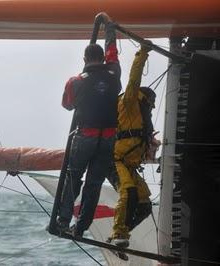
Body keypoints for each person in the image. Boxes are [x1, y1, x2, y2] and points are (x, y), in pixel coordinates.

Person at [56, 19, 121, 238]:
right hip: (108, 138)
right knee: (94, 184)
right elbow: (113, 51)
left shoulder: (75, 81)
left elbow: (67, 105)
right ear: (102, 58)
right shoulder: (114, 74)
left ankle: (64, 220)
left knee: (73, 178)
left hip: (86, 136)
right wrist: (109, 28)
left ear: (84, 59)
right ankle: (81, 227)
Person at [109, 42, 161, 249]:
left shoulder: (142, 118)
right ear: (145, 99)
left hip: (129, 164)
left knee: (145, 204)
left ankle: (119, 235)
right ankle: (118, 232)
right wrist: (143, 53)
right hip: (115, 159)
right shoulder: (129, 102)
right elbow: (134, 78)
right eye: (152, 103)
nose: (152, 108)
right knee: (128, 192)